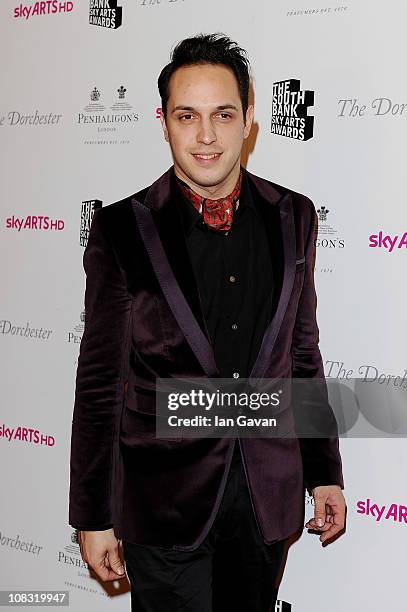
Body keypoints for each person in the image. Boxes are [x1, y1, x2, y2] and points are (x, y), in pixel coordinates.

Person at [69, 33, 346, 612]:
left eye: (223, 114)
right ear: (163, 122)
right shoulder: (123, 229)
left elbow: (301, 353)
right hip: (164, 503)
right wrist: (93, 516)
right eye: (186, 116)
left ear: (249, 118)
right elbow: (99, 383)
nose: (205, 135)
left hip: (266, 496)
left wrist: (324, 470)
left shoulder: (293, 215)